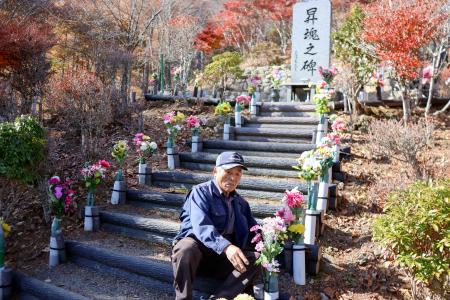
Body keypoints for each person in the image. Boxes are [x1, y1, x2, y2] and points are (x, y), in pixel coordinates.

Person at [171, 151, 260, 300]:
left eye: (238, 174)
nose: (233, 178)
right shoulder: (200, 192)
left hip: (223, 260)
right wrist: (226, 246)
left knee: (256, 257)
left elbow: (255, 233)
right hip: (197, 256)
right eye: (228, 172)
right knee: (185, 247)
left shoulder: (241, 204)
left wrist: (278, 242)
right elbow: (201, 226)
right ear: (215, 171)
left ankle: (220, 298)